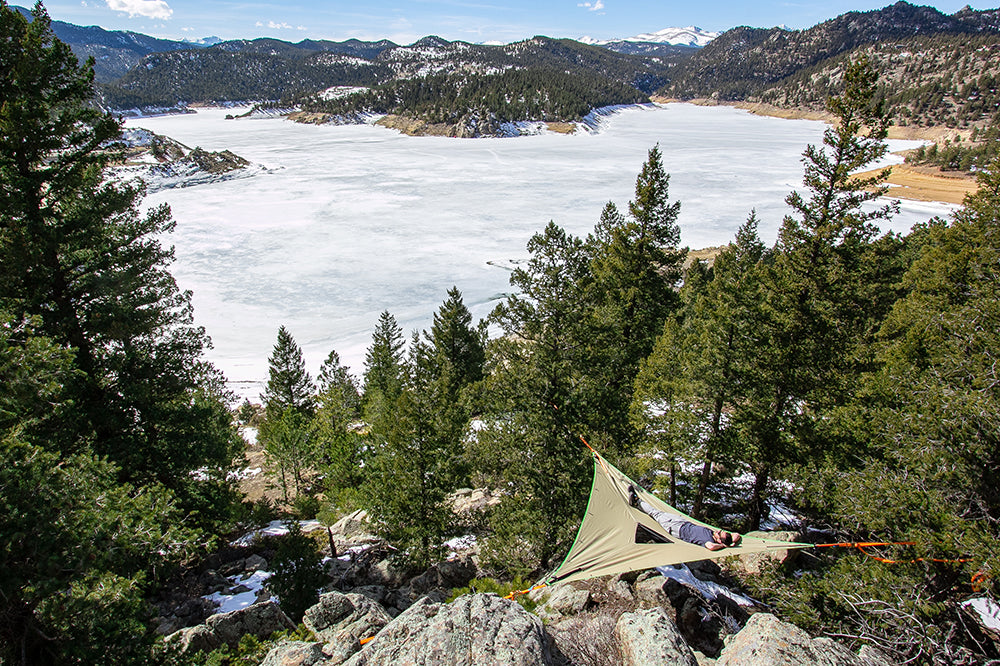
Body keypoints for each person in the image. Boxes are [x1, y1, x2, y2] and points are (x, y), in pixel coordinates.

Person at [629, 486, 741, 551]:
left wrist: (723, 546)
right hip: (682, 522)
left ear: (719, 540)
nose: (718, 531)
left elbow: (711, 547)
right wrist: (731, 543)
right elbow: (737, 535)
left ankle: (636, 501)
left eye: (719, 533)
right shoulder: (714, 535)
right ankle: (637, 501)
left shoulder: (709, 540)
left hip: (677, 529)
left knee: (655, 514)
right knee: (659, 512)